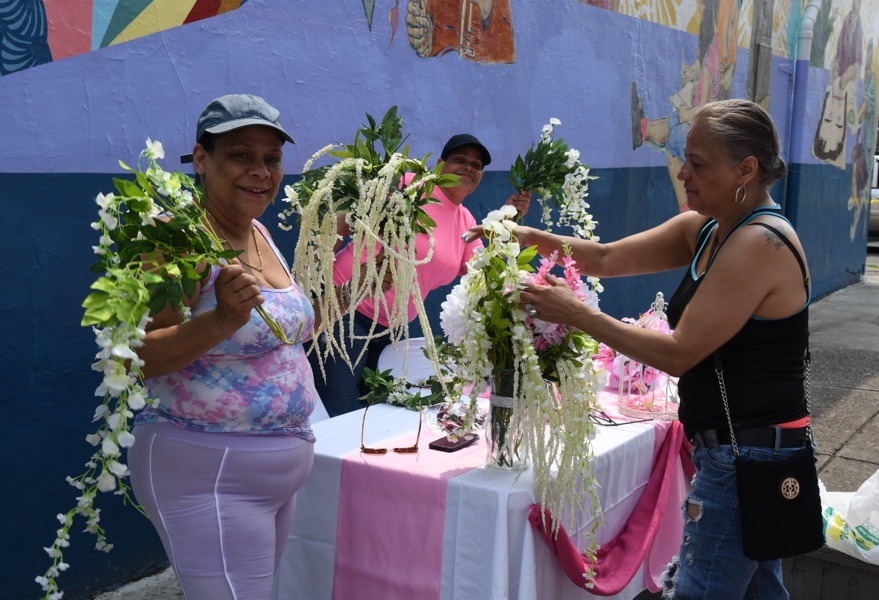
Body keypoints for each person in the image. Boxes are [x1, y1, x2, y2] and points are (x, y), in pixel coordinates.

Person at [510, 99, 810, 599]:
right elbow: (603, 258)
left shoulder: (759, 242)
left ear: (746, 169)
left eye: (698, 163)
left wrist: (578, 315)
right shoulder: (710, 228)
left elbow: (679, 353)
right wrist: (526, 235)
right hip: (745, 452)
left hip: (745, 459)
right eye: (684, 158)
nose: (683, 172)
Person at [127, 94, 360, 599]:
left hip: (271, 477)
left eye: (272, 159)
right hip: (209, 474)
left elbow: (287, 331)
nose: (261, 171)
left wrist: (358, 283)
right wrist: (220, 319)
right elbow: (139, 356)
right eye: (241, 154)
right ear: (200, 159)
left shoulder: (257, 233)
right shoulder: (176, 239)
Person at [312, 133, 531, 417]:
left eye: (476, 165)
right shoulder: (410, 184)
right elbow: (347, 214)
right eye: (459, 160)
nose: (468, 167)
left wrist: (507, 222)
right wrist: (317, 266)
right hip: (347, 311)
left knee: (385, 415)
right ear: (440, 164)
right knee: (336, 409)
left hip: (394, 329)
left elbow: (483, 271)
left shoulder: (465, 220)